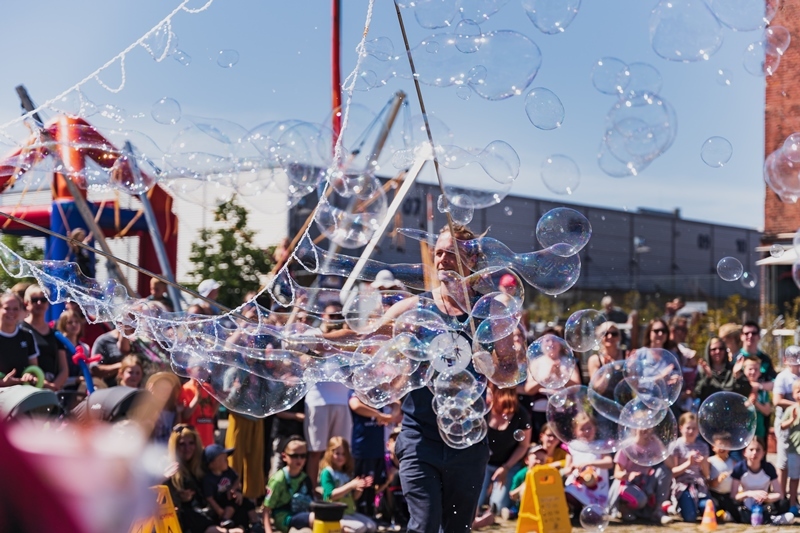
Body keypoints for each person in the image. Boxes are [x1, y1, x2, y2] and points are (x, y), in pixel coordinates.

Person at [324, 224, 514, 533]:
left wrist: (490, 365)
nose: (441, 259)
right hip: (419, 437)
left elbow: (510, 369)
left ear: (471, 258)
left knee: (457, 528)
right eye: (438, 252)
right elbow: (365, 335)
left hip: (467, 440)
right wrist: (323, 339)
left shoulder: (490, 312)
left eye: (450, 253)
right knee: (423, 525)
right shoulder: (415, 308)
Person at [166, 425, 243, 533]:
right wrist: (180, 498)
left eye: (191, 443)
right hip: (188, 514)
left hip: (211, 507)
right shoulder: (169, 468)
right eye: (182, 444)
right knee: (185, 513)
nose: (187, 448)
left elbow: (230, 476)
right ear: (175, 446)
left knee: (237, 500)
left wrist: (236, 490)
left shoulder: (205, 461)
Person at [474, 383, 531, 528]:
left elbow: (523, 445)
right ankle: (482, 505)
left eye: (490, 390)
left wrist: (506, 467)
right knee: (475, 502)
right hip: (484, 464)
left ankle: (495, 505)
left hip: (508, 464)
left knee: (498, 506)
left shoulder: (521, 415)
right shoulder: (483, 410)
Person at [348, 393, 398, 517]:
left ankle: (372, 514)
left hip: (377, 448)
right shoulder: (358, 390)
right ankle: (359, 513)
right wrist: (379, 415)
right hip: (362, 448)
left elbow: (396, 402)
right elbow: (355, 405)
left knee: (375, 484)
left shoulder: (377, 391)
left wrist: (391, 416)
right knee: (361, 484)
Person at [608, 428, 673, 524]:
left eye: (648, 426)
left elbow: (671, 465)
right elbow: (617, 473)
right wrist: (629, 475)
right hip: (628, 483)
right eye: (642, 426)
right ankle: (624, 508)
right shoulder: (627, 446)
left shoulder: (653, 444)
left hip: (646, 482)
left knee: (665, 471)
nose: (645, 430)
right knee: (641, 500)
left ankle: (658, 510)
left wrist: (659, 443)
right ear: (634, 428)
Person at [319, 436, 377, 533]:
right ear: (329, 453)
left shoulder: (346, 473)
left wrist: (359, 488)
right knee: (359, 528)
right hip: (335, 513)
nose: (341, 457)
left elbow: (353, 497)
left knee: (371, 526)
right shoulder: (327, 472)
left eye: (344, 454)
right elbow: (330, 495)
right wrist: (351, 485)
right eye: (337, 453)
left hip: (349, 511)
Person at [731, 438, 791, 524]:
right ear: (745, 452)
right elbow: (734, 496)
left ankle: (768, 518)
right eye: (751, 450)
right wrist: (749, 493)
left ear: (763, 453)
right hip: (745, 505)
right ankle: (770, 519)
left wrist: (767, 498)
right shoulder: (739, 468)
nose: (754, 453)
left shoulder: (769, 468)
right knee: (730, 504)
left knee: (784, 503)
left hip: (764, 505)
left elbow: (779, 494)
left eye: (758, 450)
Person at [263, 435, 316, 533]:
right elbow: (266, 508)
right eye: (294, 456)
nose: (299, 459)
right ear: (284, 456)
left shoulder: (305, 478)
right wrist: (268, 530)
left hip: (302, 514)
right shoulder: (278, 479)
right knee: (316, 518)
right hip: (285, 517)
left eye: (303, 456)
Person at [202, 444, 260, 531]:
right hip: (220, 502)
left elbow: (237, 478)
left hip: (230, 496)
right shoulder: (209, 479)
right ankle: (225, 520)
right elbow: (209, 498)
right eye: (223, 459)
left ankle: (255, 522)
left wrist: (233, 488)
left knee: (247, 501)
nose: (227, 461)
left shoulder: (228, 471)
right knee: (232, 502)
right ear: (212, 464)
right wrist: (218, 509)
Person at [21, 285, 68, 391]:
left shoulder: (55, 333)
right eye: (34, 300)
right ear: (26, 303)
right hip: (29, 387)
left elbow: (64, 369)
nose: (39, 303)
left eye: (43, 299)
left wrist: (54, 386)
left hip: (53, 389)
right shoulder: (20, 330)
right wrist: (43, 383)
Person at [563, 413, 612, 512]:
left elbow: (609, 463)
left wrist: (590, 463)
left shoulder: (601, 445)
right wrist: (572, 468)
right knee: (568, 492)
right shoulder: (572, 447)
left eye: (589, 428)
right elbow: (566, 470)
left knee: (595, 510)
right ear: (575, 431)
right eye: (582, 429)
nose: (586, 431)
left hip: (596, 485)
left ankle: (590, 510)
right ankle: (577, 510)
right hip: (578, 484)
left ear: (595, 428)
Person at [667, 412, 710, 522]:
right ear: (681, 428)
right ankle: (676, 507)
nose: (691, 431)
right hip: (683, 485)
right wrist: (688, 464)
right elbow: (673, 472)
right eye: (688, 428)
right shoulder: (676, 445)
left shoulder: (703, 446)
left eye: (694, 428)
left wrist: (703, 463)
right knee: (690, 518)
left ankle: (695, 505)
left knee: (709, 510)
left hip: (699, 485)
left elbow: (707, 474)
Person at [774, 356, 800, 503]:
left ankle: (794, 499)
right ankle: (783, 498)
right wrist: (793, 411)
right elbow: (777, 401)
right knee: (785, 466)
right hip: (792, 444)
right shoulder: (782, 377)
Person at [0, 292, 40, 387]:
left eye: (15, 309)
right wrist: (2, 383)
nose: (11, 313)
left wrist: (30, 375)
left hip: (22, 394)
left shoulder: (27, 335)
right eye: (7, 308)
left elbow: (34, 368)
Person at [694, 336, 751, 403]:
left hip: (732, 411)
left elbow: (746, 393)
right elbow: (697, 393)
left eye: (721, 349)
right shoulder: (703, 371)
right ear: (708, 351)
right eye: (714, 349)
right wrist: (708, 378)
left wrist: (737, 376)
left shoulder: (734, 369)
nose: (717, 351)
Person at [508, 444, 547, 520]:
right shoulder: (520, 475)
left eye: (542, 460)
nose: (539, 462)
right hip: (522, 506)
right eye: (536, 458)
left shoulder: (546, 474)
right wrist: (525, 485)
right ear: (527, 460)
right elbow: (512, 495)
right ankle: (513, 512)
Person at [179, 378, 219, 447]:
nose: (202, 372)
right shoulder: (185, 388)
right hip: (193, 440)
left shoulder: (208, 388)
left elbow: (211, 414)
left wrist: (219, 400)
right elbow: (185, 416)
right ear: (189, 371)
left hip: (208, 437)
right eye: (199, 369)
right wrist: (197, 398)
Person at [707, 433, 738, 523]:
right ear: (713, 447)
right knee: (713, 509)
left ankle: (725, 514)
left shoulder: (733, 463)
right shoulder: (710, 461)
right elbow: (708, 482)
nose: (722, 447)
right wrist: (717, 480)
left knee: (734, 510)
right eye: (719, 445)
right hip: (714, 494)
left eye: (725, 445)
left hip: (728, 494)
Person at [145, 371, 183, 444]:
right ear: (154, 389)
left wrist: (178, 413)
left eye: (168, 389)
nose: (164, 392)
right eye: (161, 389)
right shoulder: (148, 407)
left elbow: (176, 430)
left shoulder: (173, 409)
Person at [780, 379, 800, 514]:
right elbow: (782, 425)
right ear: (793, 394)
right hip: (794, 450)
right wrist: (792, 419)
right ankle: (792, 504)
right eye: (799, 391)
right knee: (793, 478)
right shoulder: (791, 409)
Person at [742, 356, 772, 441]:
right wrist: (749, 403)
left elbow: (767, 411)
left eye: (756, 369)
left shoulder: (763, 391)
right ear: (744, 370)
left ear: (760, 372)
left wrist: (756, 403)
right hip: (743, 431)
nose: (753, 372)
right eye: (750, 369)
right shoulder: (740, 389)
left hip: (759, 432)